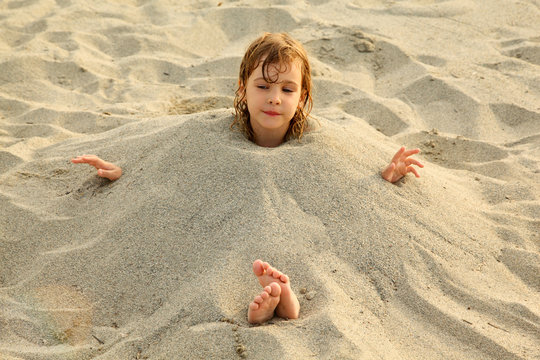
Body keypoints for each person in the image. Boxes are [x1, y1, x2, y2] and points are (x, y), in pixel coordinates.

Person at [71, 32, 423, 324]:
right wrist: (125, 174)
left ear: (302, 97)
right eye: (263, 86)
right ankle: (272, 299)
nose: (274, 98)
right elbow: (174, 163)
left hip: (297, 227)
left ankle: (287, 300)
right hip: (228, 230)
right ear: (242, 88)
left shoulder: (319, 144)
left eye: (287, 90)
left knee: (299, 239)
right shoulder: (209, 135)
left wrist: (383, 178)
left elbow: (339, 183)